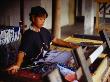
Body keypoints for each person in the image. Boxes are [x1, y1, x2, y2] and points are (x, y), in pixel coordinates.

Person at [7, 6, 79, 74]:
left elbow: (55, 40)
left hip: (48, 56)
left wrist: (70, 44)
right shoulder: (28, 35)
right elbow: (22, 52)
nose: (43, 21)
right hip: (36, 63)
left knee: (71, 55)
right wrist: (17, 65)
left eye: (44, 19)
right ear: (33, 18)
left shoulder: (44, 31)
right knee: (60, 69)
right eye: (41, 19)